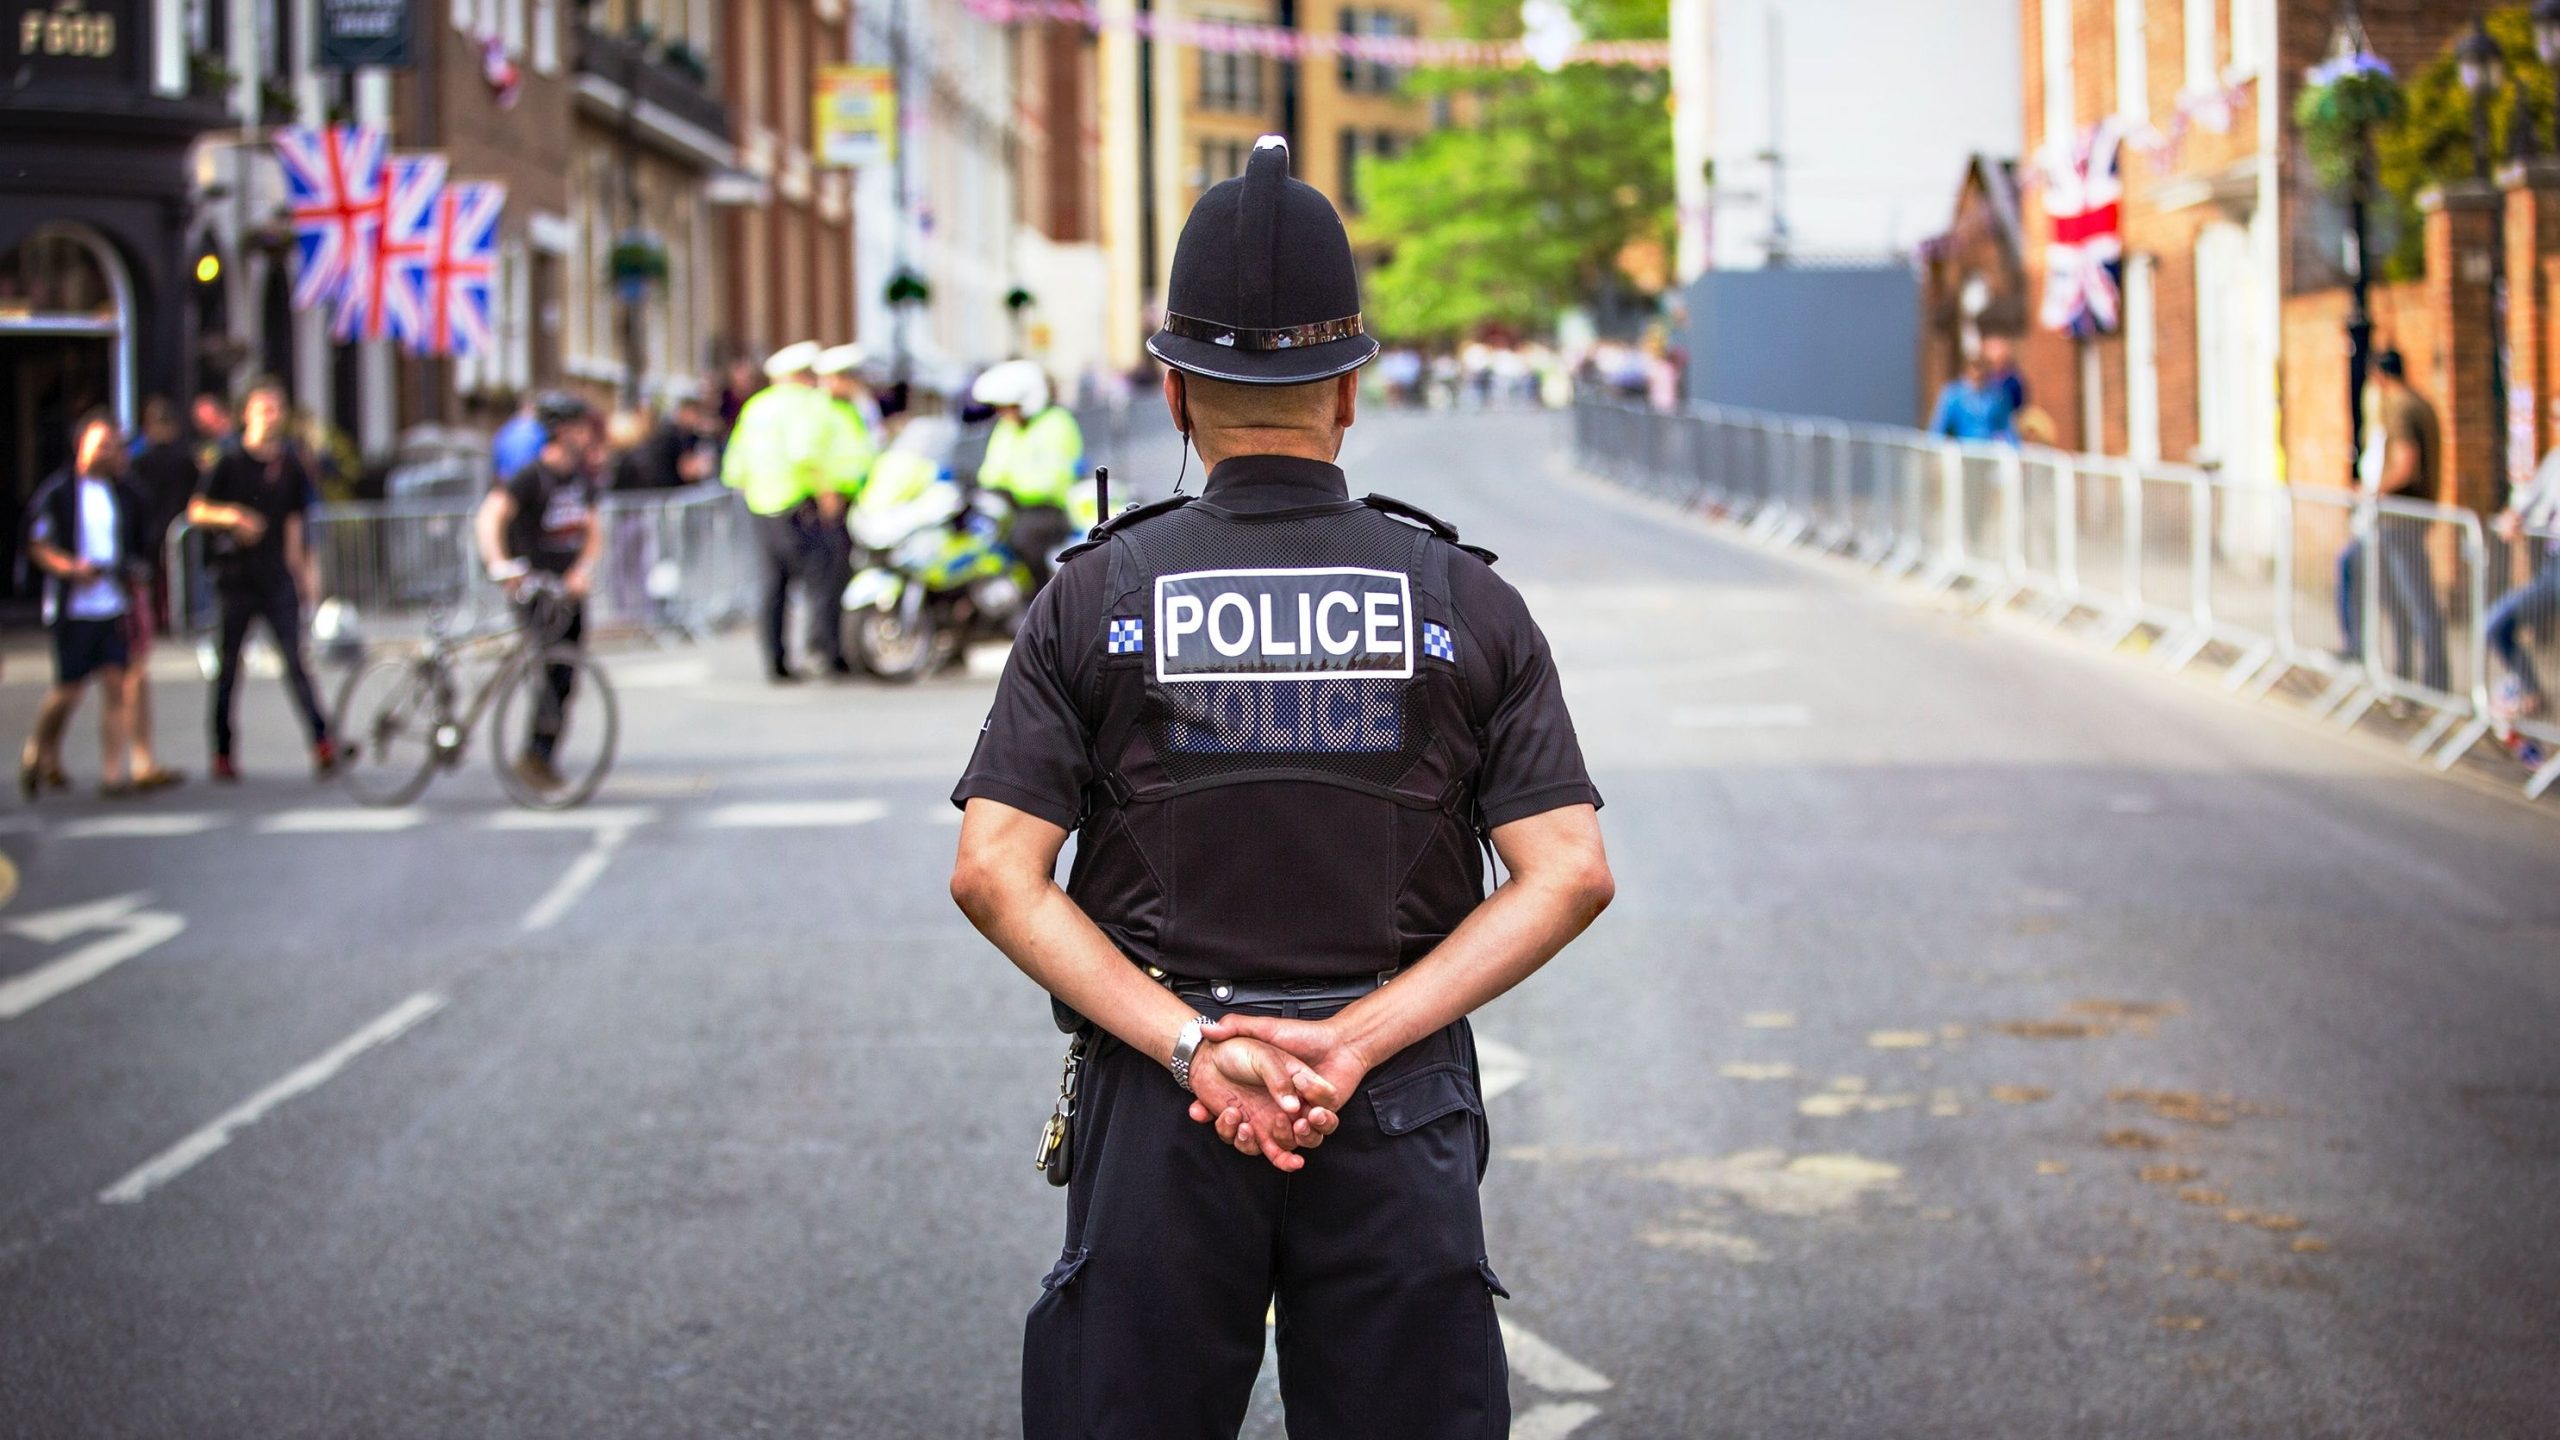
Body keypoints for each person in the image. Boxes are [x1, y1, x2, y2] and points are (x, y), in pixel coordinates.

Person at [947, 135, 1615, 1440]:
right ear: (1349, 388)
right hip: (1392, 1095)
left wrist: (1201, 1047)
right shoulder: (1462, 598)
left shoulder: (1094, 596)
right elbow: (1570, 869)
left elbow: (992, 870)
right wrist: (1356, 1041)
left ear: (1178, 390)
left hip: (1162, 1097)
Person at [190, 376, 337, 781]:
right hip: (235, 577)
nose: (274, 417)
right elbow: (197, 509)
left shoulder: (288, 463)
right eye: (265, 408)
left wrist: (305, 576)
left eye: (278, 409)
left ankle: (323, 742)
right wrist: (234, 517)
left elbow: (294, 524)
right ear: (247, 413)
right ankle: (222, 752)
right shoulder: (229, 458)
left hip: (274, 576)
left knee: (295, 661)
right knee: (228, 668)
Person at [19, 411, 163, 798]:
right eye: (100, 445)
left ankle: (112, 773)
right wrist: (69, 568)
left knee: (116, 685)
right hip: (73, 606)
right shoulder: (60, 491)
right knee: (69, 689)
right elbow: (38, 544)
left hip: (111, 602)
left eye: (113, 446)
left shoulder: (124, 492)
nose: (108, 453)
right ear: (81, 446)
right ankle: (38, 749)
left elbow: (140, 539)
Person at [475, 392, 605, 793]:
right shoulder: (531, 477)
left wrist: (583, 569)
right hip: (535, 591)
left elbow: (593, 530)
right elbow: (489, 517)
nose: (588, 437)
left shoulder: (578, 479)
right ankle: (534, 755)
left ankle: (542, 756)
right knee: (546, 674)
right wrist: (500, 566)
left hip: (567, 592)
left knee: (566, 677)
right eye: (581, 428)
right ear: (562, 431)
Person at [722, 341, 842, 681]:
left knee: (772, 587)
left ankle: (775, 660)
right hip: (800, 505)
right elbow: (806, 453)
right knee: (821, 582)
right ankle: (824, 652)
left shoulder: (755, 407)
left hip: (761, 507)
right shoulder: (808, 405)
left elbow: (734, 467)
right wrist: (826, 495)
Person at [2336, 350, 2450, 694]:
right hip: (2410, 517)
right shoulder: (2420, 402)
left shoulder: (2399, 407)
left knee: (2412, 603)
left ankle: (2429, 685)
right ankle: (2407, 680)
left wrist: (2373, 492)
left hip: (2400, 520)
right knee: (2402, 601)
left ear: (2379, 376)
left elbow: (2406, 463)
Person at [121, 396, 199, 791]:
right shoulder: (177, 458)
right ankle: (169, 617)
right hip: (171, 531)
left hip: (152, 536)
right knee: (173, 585)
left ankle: (163, 617)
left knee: (157, 589)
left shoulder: (141, 459)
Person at [969, 359, 1087, 591]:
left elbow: (1052, 481)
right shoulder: (1006, 428)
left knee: (1023, 539)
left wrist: (1011, 487)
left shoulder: (1057, 424)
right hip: (1009, 508)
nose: (1003, 413)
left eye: (1009, 406)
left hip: (1047, 510)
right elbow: (990, 472)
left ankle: (1039, 599)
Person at [811, 344, 882, 665]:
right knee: (830, 578)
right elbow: (813, 456)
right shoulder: (822, 410)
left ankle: (839, 647)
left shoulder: (850, 408)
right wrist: (826, 491)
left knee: (843, 574)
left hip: (853, 500)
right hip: (831, 503)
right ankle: (828, 649)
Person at [2488, 439, 2560, 720]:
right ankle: (2531, 693)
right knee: (2497, 624)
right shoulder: (2555, 459)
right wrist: (2514, 515)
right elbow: (2526, 499)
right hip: (2552, 567)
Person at [1929, 350, 2020, 444]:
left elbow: (2007, 428)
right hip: (1963, 451)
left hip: (1988, 452)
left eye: (1982, 366)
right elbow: (1937, 429)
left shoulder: (1997, 395)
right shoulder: (1952, 394)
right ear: (1967, 367)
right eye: (1975, 366)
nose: (1978, 372)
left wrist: (2015, 451)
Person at [490, 393, 548, 484]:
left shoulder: (506, 429)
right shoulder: (538, 429)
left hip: (506, 480)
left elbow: (496, 461)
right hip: (528, 483)